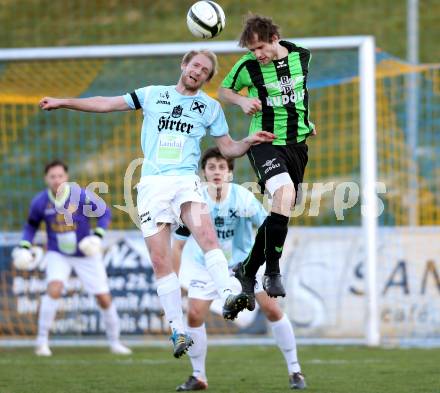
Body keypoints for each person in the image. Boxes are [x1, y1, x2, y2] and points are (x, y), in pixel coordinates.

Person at [38, 50, 275, 358]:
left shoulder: (210, 107)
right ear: (184, 65)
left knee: (207, 236)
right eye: (195, 65)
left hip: (185, 182)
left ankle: (230, 294)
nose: (198, 71)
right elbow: (107, 103)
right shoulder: (152, 95)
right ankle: (177, 330)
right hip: (152, 186)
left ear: (207, 78)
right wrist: (64, 101)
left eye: (205, 70)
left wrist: (249, 141)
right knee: (161, 262)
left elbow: (228, 148)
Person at [172, 147, 306, 391]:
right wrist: (172, 280)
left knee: (272, 310)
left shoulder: (243, 198)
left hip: (243, 265)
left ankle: (295, 370)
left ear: (230, 173)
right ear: (203, 173)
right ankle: (199, 376)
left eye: (222, 167)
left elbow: (269, 228)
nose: (216, 172)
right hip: (207, 268)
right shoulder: (195, 201)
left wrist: (267, 264)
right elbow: (178, 244)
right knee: (193, 315)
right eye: (211, 167)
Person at [218, 14, 316, 306]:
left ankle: (247, 270)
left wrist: (306, 122)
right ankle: (271, 271)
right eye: (252, 50)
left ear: (275, 39)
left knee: (282, 209)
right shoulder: (247, 67)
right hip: (264, 142)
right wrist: (242, 100)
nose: (257, 55)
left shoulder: (302, 56)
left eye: (260, 48)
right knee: (283, 194)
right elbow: (224, 90)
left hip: (297, 145)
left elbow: (297, 96)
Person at [11, 160, 131, 357]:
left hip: (86, 254)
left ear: (66, 177)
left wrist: (97, 236)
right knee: (54, 289)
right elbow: (31, 226)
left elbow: (105, 212)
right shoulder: (40, 202)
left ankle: (115, 342)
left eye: (60, 176)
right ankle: (41, 342)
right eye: (52, 176)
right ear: (46, 179)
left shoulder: (81, 195)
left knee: (103, 297)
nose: (56, 180)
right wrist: (25, 245)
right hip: (58, 253)